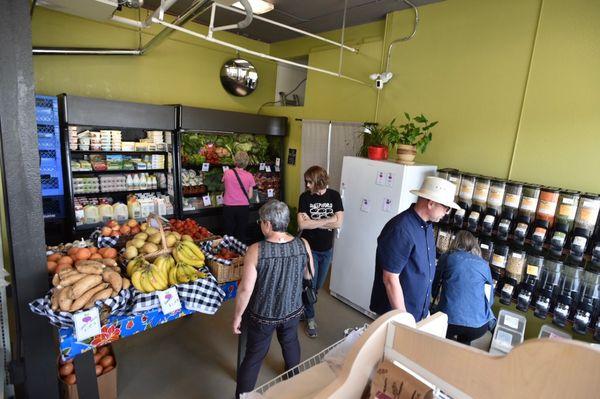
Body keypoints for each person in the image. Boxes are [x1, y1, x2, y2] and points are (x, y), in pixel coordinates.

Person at [233, 200, 314, 399]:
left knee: (254, 355)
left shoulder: (256, 250)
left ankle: (242, 396)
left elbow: (245, 290)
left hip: (263, 313)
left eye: (261, 221)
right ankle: (294, 380)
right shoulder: (303, 244)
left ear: (268, 224)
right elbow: (308, 276)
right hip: (292, 309)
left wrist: (237, 317)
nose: (260, 224)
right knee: (290, 341)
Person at [369, 176, 460, 322]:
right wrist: (404, 320)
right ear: (431, 203)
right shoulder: (401, 229)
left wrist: (425, 311)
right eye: (446, 208)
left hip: (417, 312)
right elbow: (390, 279)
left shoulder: (428, 226)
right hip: (396, 315)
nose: (447, 213)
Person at [297, 165, 344, 338]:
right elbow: (302, 225)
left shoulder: (334, 196)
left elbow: (339, 223)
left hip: (327, 250)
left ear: (319, 181)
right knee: (310, 284)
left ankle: (304, 307)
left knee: (316, 287)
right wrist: (329, 219)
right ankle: (310, 318)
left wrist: (313, 221)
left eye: (309, 182)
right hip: (310, 249)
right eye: (306, 182)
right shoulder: (305, 197)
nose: (307, 185)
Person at [431, 230, 496, 345]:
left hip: (449, 321)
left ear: (455, 242)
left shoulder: (446, 258)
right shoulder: (484, 264)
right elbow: (490, 299)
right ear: (474, 245)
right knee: (465, 342)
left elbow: (434, 286)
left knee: (443, 342)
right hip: (477, 326)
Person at [222, 151, 255, 243]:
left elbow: (224, 186)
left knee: (228, 232)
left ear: (235, 161)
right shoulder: (249, 176)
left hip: (228, 207)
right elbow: (250, 196)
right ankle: (240, 254)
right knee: (241, 232)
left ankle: (228, 252)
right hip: (243, 207)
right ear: (247, 162)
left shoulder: (227, 173)